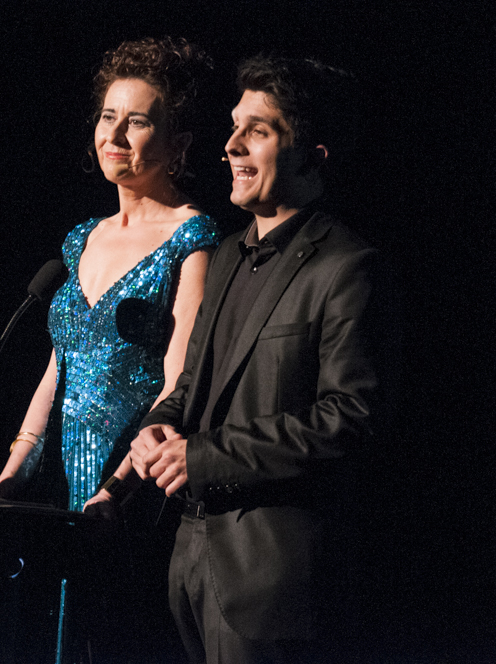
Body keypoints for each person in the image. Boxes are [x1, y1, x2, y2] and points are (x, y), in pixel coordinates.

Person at [130, 56, 392, 663]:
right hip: (191, 563)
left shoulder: (348, 268)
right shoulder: (227, 254)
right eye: (233, 127)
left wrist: (202, 457)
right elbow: (193, 381)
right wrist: (156, 426)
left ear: (312, 156)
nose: (231, 146)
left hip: (269, 580)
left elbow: (351, 418)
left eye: (259, 130)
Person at [0, 37, 221, 516]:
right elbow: (57, 373)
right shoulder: (82, 238)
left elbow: (180, 385)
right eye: (107, 117)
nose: (114, 135)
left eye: (137, 122)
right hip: (51, 492)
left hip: (128, 498)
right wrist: (10, 478)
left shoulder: (191, 239)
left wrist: (115, 490)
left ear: (177, 145)